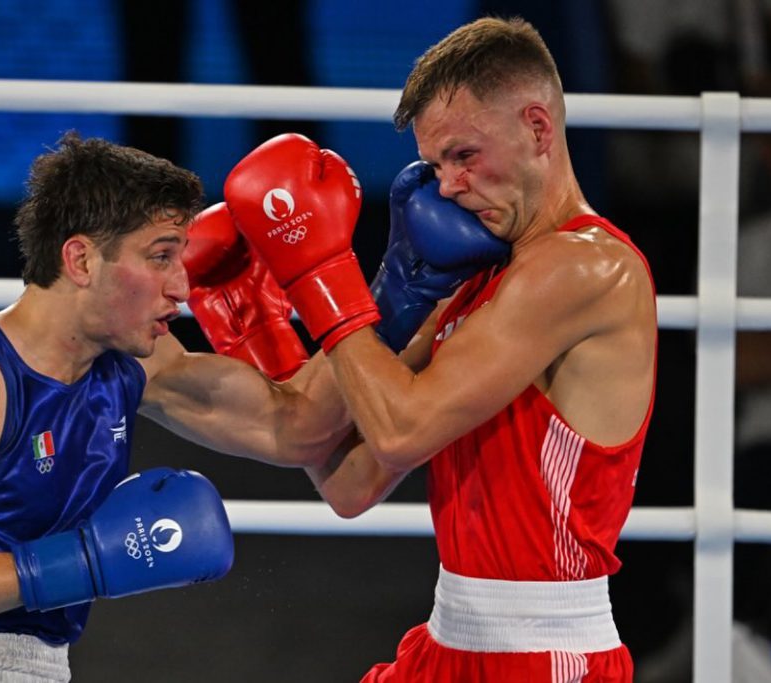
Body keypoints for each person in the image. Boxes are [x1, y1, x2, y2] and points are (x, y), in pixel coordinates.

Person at [222, 16, 658, 682]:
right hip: (447, 642)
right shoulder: (479, 277)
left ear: (538, 129)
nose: (447, 185)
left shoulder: (584, 267)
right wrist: (263, 327)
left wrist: (321, 274)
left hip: (544, 656)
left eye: (464, 156)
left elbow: (399, 431)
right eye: (434, 165)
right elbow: (350, 481)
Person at [0, 131, 357, 680]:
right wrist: (86, 564)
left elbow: (298, 428)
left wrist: (403, 288)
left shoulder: (135, 364)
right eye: (161, 256)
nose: (182, 287)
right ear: (81, 260)